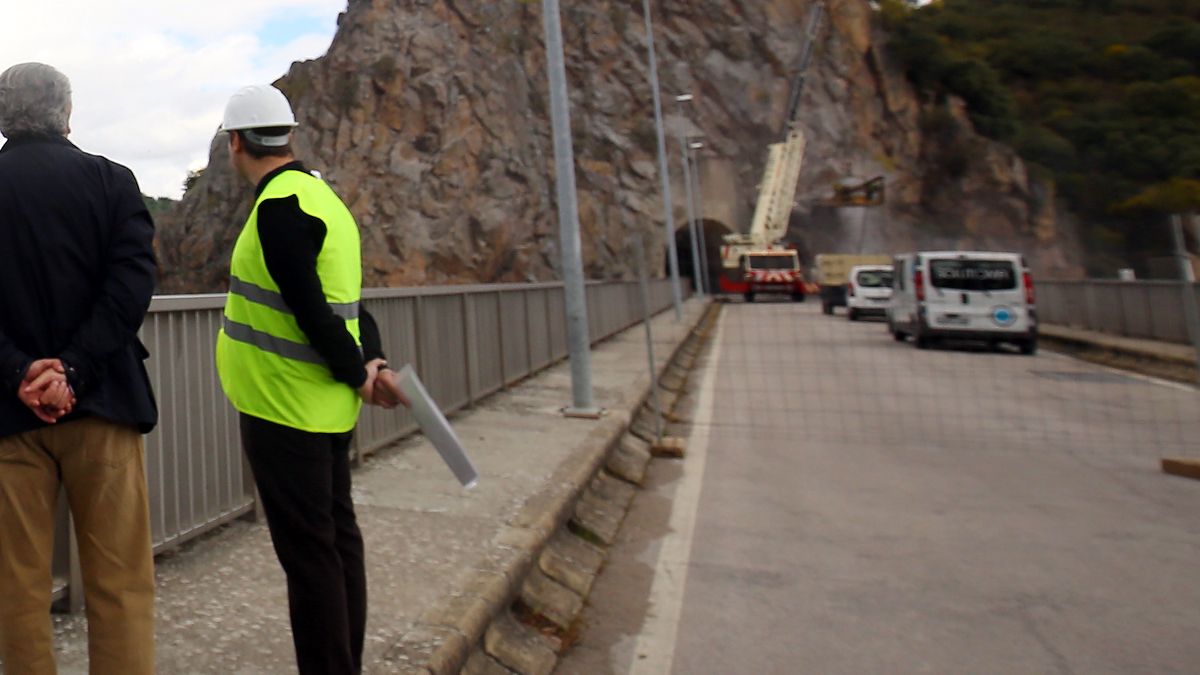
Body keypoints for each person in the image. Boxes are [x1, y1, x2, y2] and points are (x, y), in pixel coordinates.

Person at [214, 84, 407, 675]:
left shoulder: (278, 210)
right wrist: (370, 364)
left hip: (283, 407)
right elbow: (352, 306)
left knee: (309, 557)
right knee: (335, 541)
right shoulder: (324, 199)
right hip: (324, 410)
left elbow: (310, 308)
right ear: (290, 136)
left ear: (236, 143)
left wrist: (359, 374)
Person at [0, 63, 159, 674]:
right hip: (103, 405)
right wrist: (72, 368)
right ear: (66, 113)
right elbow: (130, 286)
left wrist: (20, 371)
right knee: (119, 582)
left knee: (16, 587)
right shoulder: (111, 182)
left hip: (7, 417)